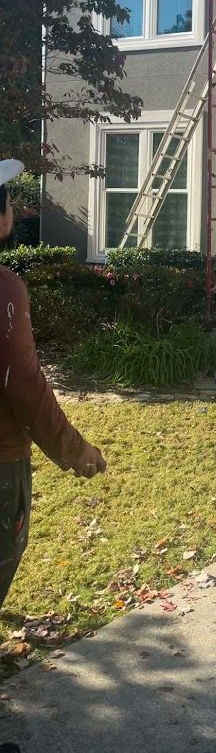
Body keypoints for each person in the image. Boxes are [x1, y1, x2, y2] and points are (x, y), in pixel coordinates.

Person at [0, 160, 106, 611]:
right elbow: (21, 382)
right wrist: (73, 449)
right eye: (9, 201)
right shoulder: (4, 288)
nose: (13, 209)